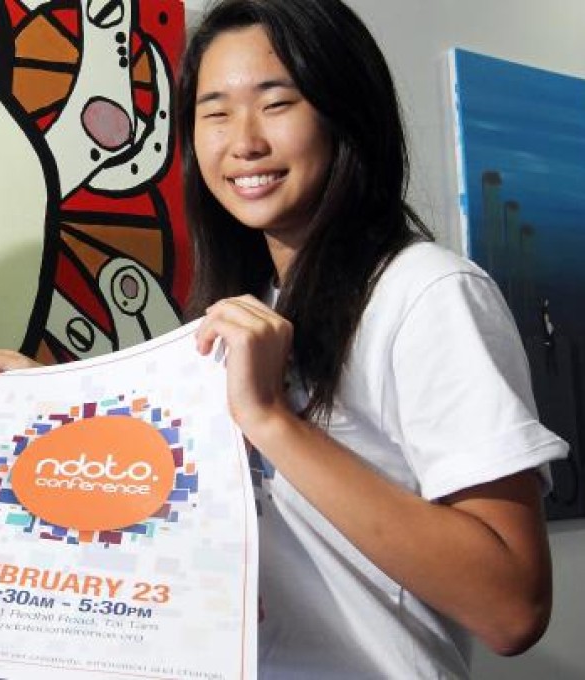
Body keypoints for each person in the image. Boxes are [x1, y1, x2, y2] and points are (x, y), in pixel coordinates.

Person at [177, 0, 568, 677]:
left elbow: (512, 607)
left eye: (277, 103)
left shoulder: (426, 294)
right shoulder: (244, 309)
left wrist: (272, 421)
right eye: (214, 112)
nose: (243, 141)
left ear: (344, 112)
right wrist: (29, 407)